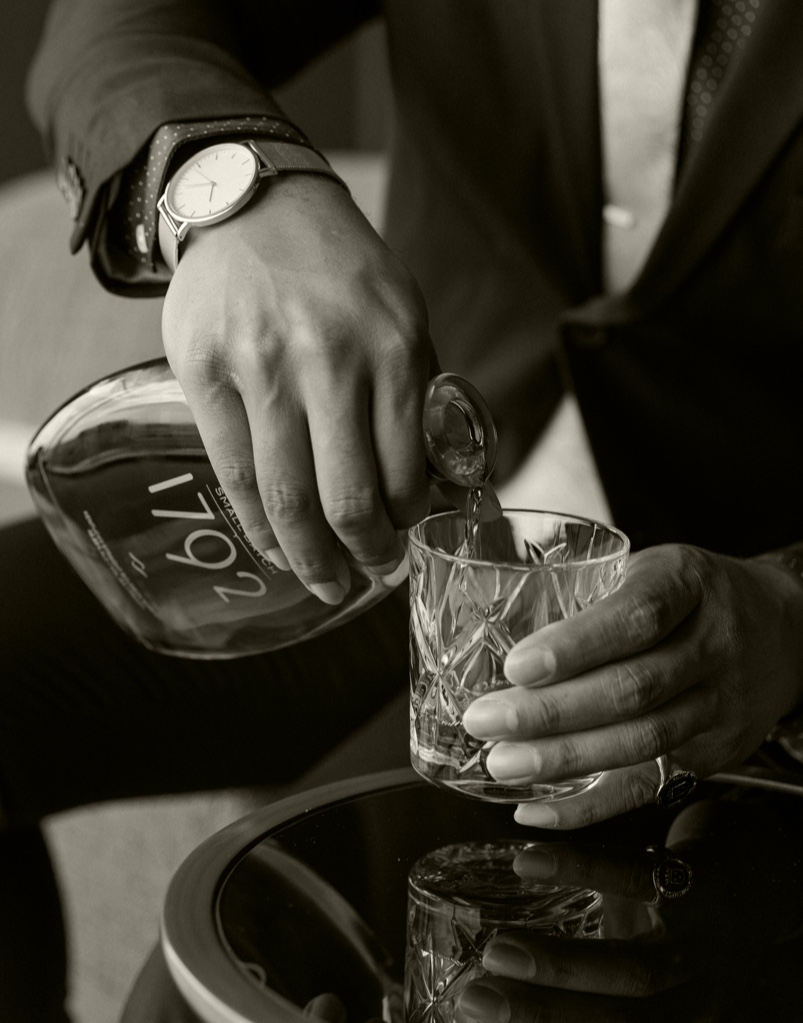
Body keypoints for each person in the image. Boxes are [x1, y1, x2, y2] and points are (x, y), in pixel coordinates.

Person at [4, 0, 803, 1018]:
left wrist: (789, 616)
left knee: (208, 992)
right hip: (381, 499)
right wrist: (226, 182)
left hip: (692, 654)